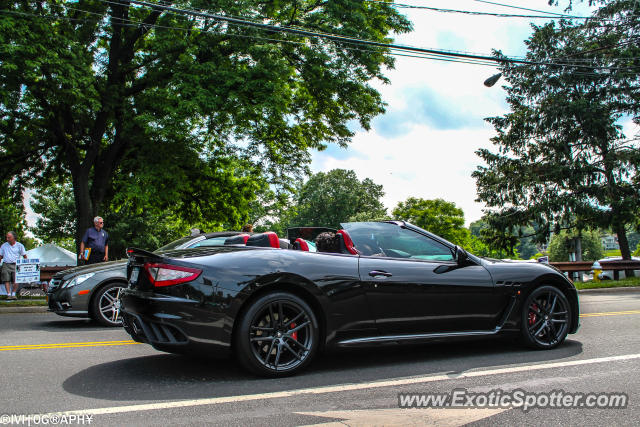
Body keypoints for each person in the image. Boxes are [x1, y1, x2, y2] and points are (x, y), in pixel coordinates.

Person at [0, 231, 28, 300]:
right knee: (6, 280)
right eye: (7, 237)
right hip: (6, 264)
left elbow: (24, 256)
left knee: (16, 280)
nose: (7, 239)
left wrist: (26, 265)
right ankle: (8, 294)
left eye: (9, 237)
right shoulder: (4, 245)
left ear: (14, 238)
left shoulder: (20, 245)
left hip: (16, 264)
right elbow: (0, 256)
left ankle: (13, 294)